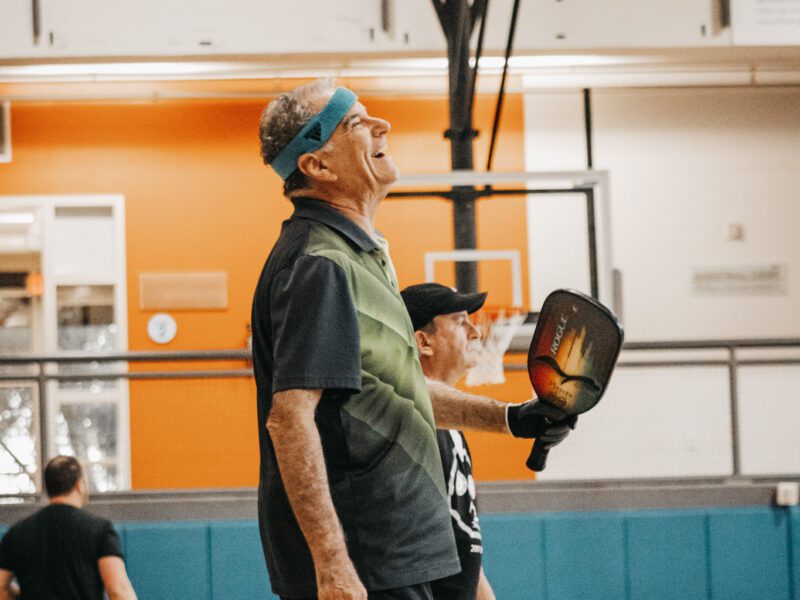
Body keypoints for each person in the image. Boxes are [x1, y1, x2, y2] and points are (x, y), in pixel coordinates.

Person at [253, 79, 572, 600]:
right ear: (318, 166)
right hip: (365, 558)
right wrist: (333, 565)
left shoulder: (359, 255)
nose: (383, 126)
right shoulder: (320, 264)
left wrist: (509, 418)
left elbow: (394, 393)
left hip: (397, 551)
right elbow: (289, 417)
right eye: (355, 122)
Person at [0, 455, 138, 600]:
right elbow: (118, 589)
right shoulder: (100, 530)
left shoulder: (16, 534)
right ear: (79, 485)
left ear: (48, 488)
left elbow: (1, 587)